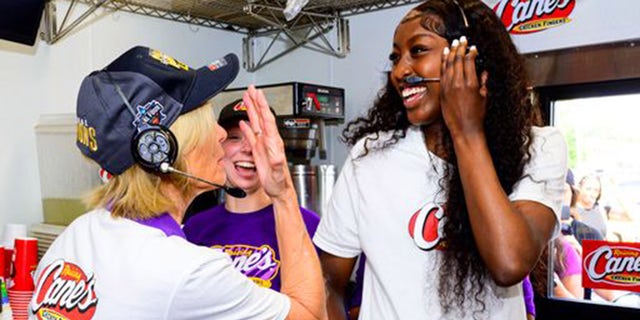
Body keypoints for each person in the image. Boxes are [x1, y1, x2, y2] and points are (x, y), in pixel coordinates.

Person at [28, 46, 326, 319]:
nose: (221, 136)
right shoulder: (187, 270)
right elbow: (310, 316)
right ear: (165, 149)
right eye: (207, 121)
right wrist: (284, 193)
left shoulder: (75, 236)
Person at [313, 1, 567, 319]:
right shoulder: (369, 156)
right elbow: (327, 281)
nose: (400, 71)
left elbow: (509, 263)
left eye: (418, 50)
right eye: (395, 57)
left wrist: (466, 132)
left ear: (472, 60)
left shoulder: (538, 148)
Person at [183, 99, 320, 292]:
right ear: (217, 146)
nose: (247, 149)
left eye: (258, 138)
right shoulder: (194, 228)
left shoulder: (307, 225)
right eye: (234, 137)